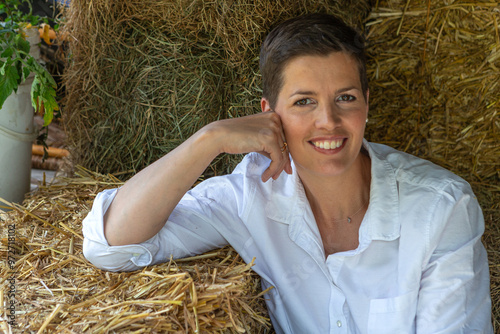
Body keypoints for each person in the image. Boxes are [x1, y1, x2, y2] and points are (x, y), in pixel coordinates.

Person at [82, 13, 493, 333]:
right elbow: (111, 244)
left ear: (367, 104)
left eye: (345, 98)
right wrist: (207, 140)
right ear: (269, 116)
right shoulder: (251, 196)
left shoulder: (441, 208)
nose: (328, 121)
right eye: (304, 102)